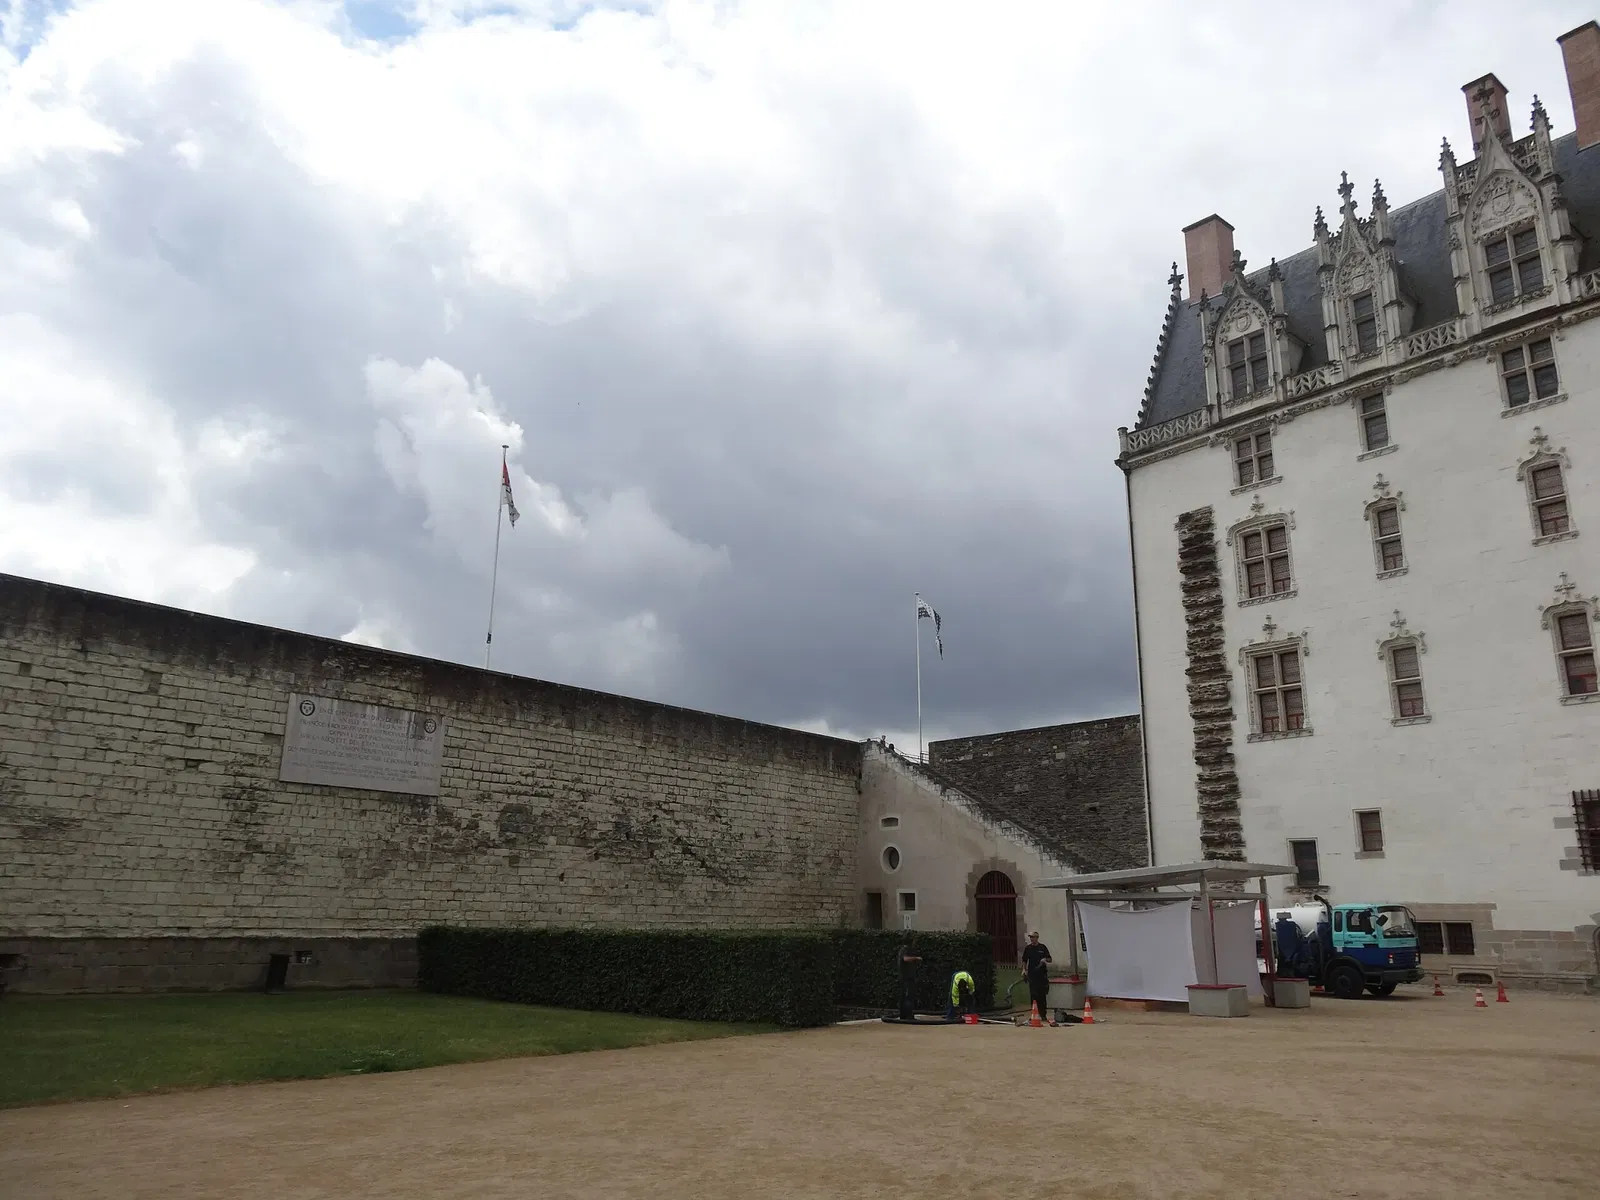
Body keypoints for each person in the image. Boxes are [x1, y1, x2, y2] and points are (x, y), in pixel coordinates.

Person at [1021, 931, 1056, 1026]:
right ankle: (1034, 1013)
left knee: (1042, 995)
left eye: (1033, 937)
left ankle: (1043, 1015)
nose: (1031, 939)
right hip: (1032, 975)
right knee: (1033, 995)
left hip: (1042, 975)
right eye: (1030, 937)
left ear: (1037, 938)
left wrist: (1045, 960)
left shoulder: (1042, 948)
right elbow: (1024, 960)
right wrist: (1024, 970)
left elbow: (1050, 959)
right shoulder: (1028, 948)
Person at [897, 942, 922, 1021]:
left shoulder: (905, 950)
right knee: (908, 997)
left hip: (908, 978)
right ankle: (908, 1016)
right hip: (906, 979)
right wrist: (916, 958)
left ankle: (905, 1015)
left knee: (907, 997)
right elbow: (905, 958)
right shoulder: (905, 950)